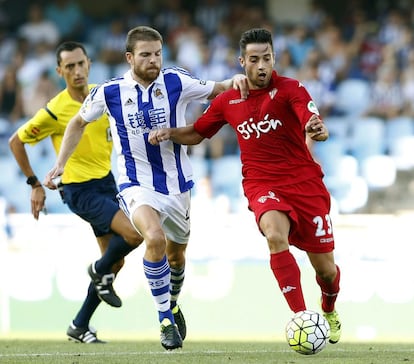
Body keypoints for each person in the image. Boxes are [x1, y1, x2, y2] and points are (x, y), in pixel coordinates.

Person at [43, 26, 248, 350]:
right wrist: (61, 163)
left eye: (157, 54)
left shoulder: (176, 81)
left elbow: (218, 89)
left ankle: (173, 302)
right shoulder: (109, 92)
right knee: (153, 237)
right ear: (129, 58)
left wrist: (235, 81)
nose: (153, 60)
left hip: (177, 183)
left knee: (177, 256)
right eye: (145, 55)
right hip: (134, 184)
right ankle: (165, 320)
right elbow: (78, 122)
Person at [148, 27, 342, 344]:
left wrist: (315, 127)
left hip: (305, 183)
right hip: (262, 183)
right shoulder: (228, 101)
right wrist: (169, 133)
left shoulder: (292, 88)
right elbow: (197, 133)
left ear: (274, 58)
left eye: (267, 58)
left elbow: (309, 115)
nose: (262, 65)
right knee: (275, 236)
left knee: (326, 272)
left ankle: (329, 308)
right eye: (254, 59)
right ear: (242, 61)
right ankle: (302, 317)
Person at [8, 41, 143, 343]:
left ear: (89, 63)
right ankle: (97, 269)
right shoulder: (55, 110)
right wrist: (34, 184)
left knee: (115, 262)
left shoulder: (102, 95)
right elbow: (16, 141)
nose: (77, 70)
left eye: (81, 63)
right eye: (69, 66)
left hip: (107, 182)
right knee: (134, 235)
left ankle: (79, 325)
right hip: (79, 190)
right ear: (60, 71)